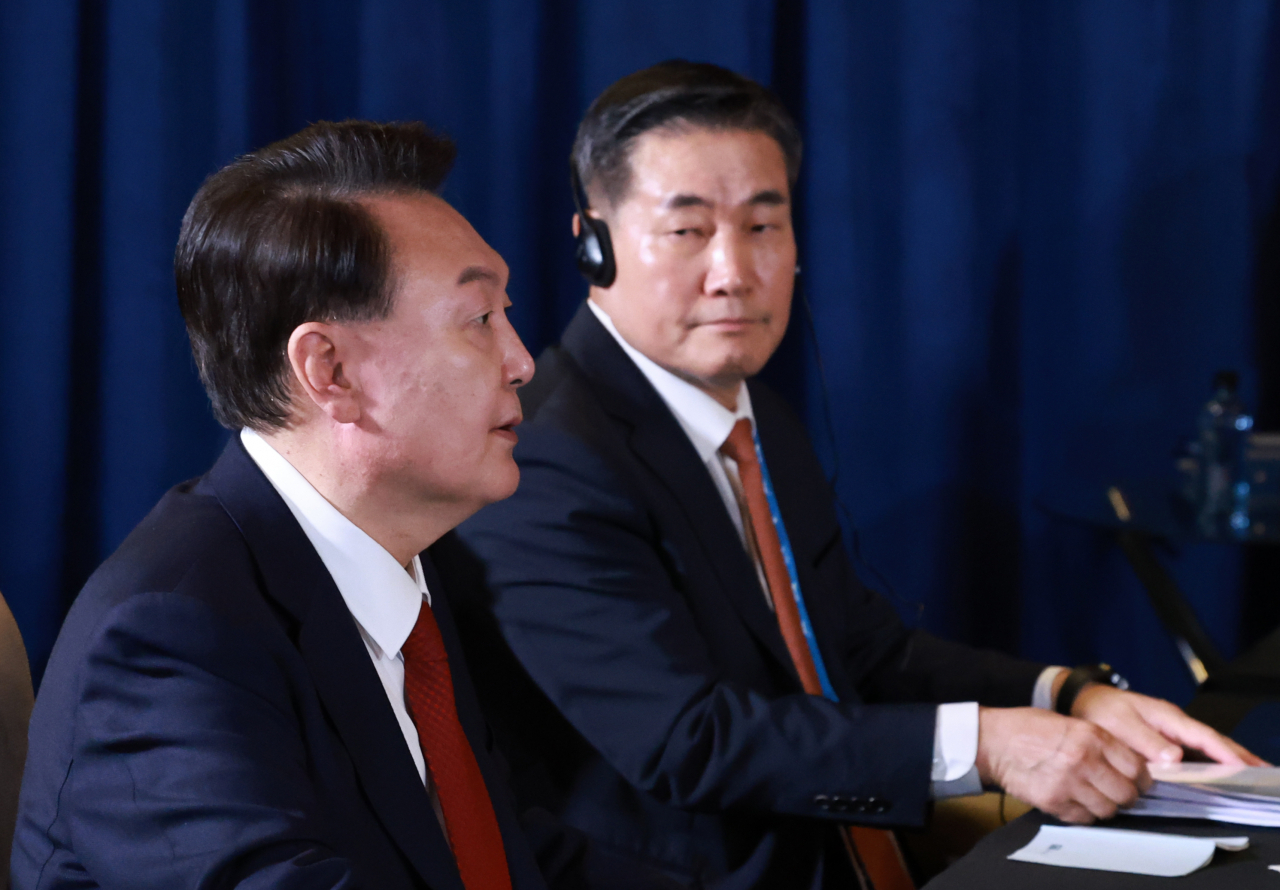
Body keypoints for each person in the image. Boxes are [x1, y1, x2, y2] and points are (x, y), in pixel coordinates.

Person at [440, 62, 1262, 890]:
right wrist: (989, 743)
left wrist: (1067, 694)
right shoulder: (543, 455)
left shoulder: (758, 417)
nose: (733, 272)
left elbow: (860, 650)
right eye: (687, 231)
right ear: (595, 243)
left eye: (765, 226)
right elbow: (689, 741)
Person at [11, 120, 651, 890]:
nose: (520, 361)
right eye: (480, 321)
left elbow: (485, 850)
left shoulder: (408, 568)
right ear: (330, 371)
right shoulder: (170, 636)